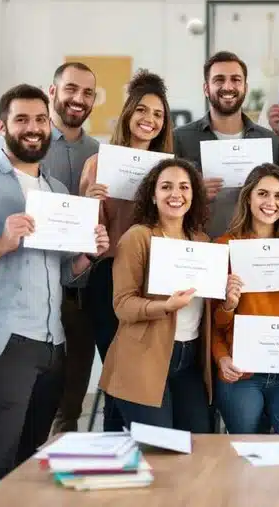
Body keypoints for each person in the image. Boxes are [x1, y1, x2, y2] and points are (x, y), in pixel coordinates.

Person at [0, 84, 109, 502]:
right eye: (22, 120)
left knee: (27, 462)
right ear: (3, 126)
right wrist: (1, 242)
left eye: (40, 120)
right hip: (3, 342)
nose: (33, 128)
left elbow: (62, 272)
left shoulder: (55, 190)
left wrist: (87, 257)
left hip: (52, 343)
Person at [0, 63, 102, 435]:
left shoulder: (99, 152)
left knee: (69, 403)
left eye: (88, 93)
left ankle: (60, 486)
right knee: (26, 411)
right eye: (71, 89)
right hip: (32, 296)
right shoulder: (24, 145)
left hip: (79, 289)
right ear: (52, 91)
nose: (79, 99)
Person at [78, 70, 173, 432]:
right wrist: (89, 204)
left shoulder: (168, 169)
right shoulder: (97, 164)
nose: (149, 120)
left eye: (158, 115)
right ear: (129, 114)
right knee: (116, 370)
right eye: (143, 111)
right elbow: (88, 237)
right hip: (109, 277)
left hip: (154, 278)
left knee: (142, 374)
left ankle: (140, 446)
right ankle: (114, 448)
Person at [98, 158, 214, 433]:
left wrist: (228, 292)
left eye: (184, 187)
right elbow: (122, 305)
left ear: (193, 195)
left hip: (190, 361)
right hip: (143, 358)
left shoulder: (203, 243)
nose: (176, 194)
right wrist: (165, 306)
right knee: (158, 452)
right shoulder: (137, 237)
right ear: (153, 195)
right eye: (166, 187)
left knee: (200, 447)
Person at [212, 163, 279, 434]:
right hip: (242, 372)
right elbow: (211, 323)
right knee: (249, 454)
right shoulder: (224, 247)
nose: (270, 202)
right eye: (262, 193)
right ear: (248, 197)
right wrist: (222, 358)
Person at [174, 51, 279, 239]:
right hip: (198, 246)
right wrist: (193, 191)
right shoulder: (179, 139)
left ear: (245, 87)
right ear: (206, 89)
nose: (228, 86)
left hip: (254, 249)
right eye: (219, 80)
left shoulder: (270, 141)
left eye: (235, 80)